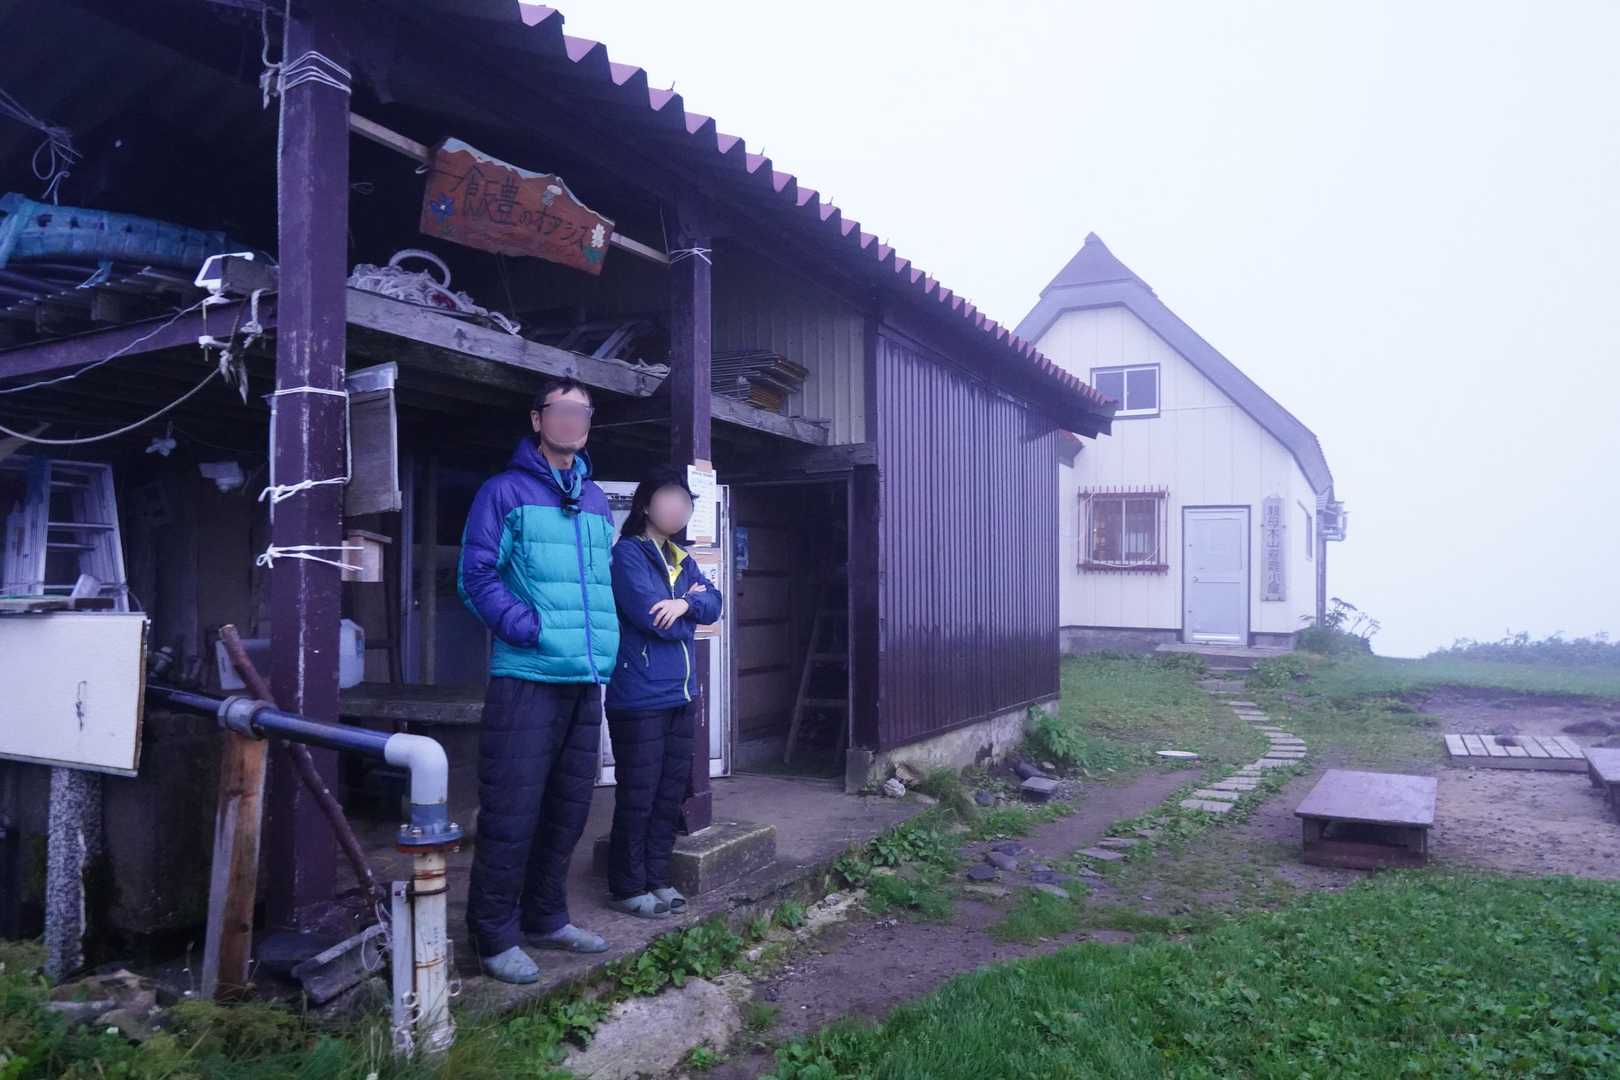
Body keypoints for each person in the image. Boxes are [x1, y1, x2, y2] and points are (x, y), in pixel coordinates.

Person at [456, 377, 620, 984]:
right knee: (512, 809)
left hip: (583, 675)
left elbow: (599, 583)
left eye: (584, 411)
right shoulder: (504, 492)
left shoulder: (596, 500)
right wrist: (527, 627)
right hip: (527, 673)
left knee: (569, 807)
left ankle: (547, 917)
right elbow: (475, 576)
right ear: (537, 419)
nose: (574, 420)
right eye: (562, 409)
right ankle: (492, 934)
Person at [603, 465, 724, 918]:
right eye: (669, 498)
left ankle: (656, 878)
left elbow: (714, 605)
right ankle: (626, 885)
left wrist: (685, 603)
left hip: (680, 695)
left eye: (685, 502)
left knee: (668, 794)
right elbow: (653, 618)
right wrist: (686, 609)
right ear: (646, 504)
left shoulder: (681, 558)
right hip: (638, 696)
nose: (678, 508)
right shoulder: (628, 555)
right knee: (638, 794)